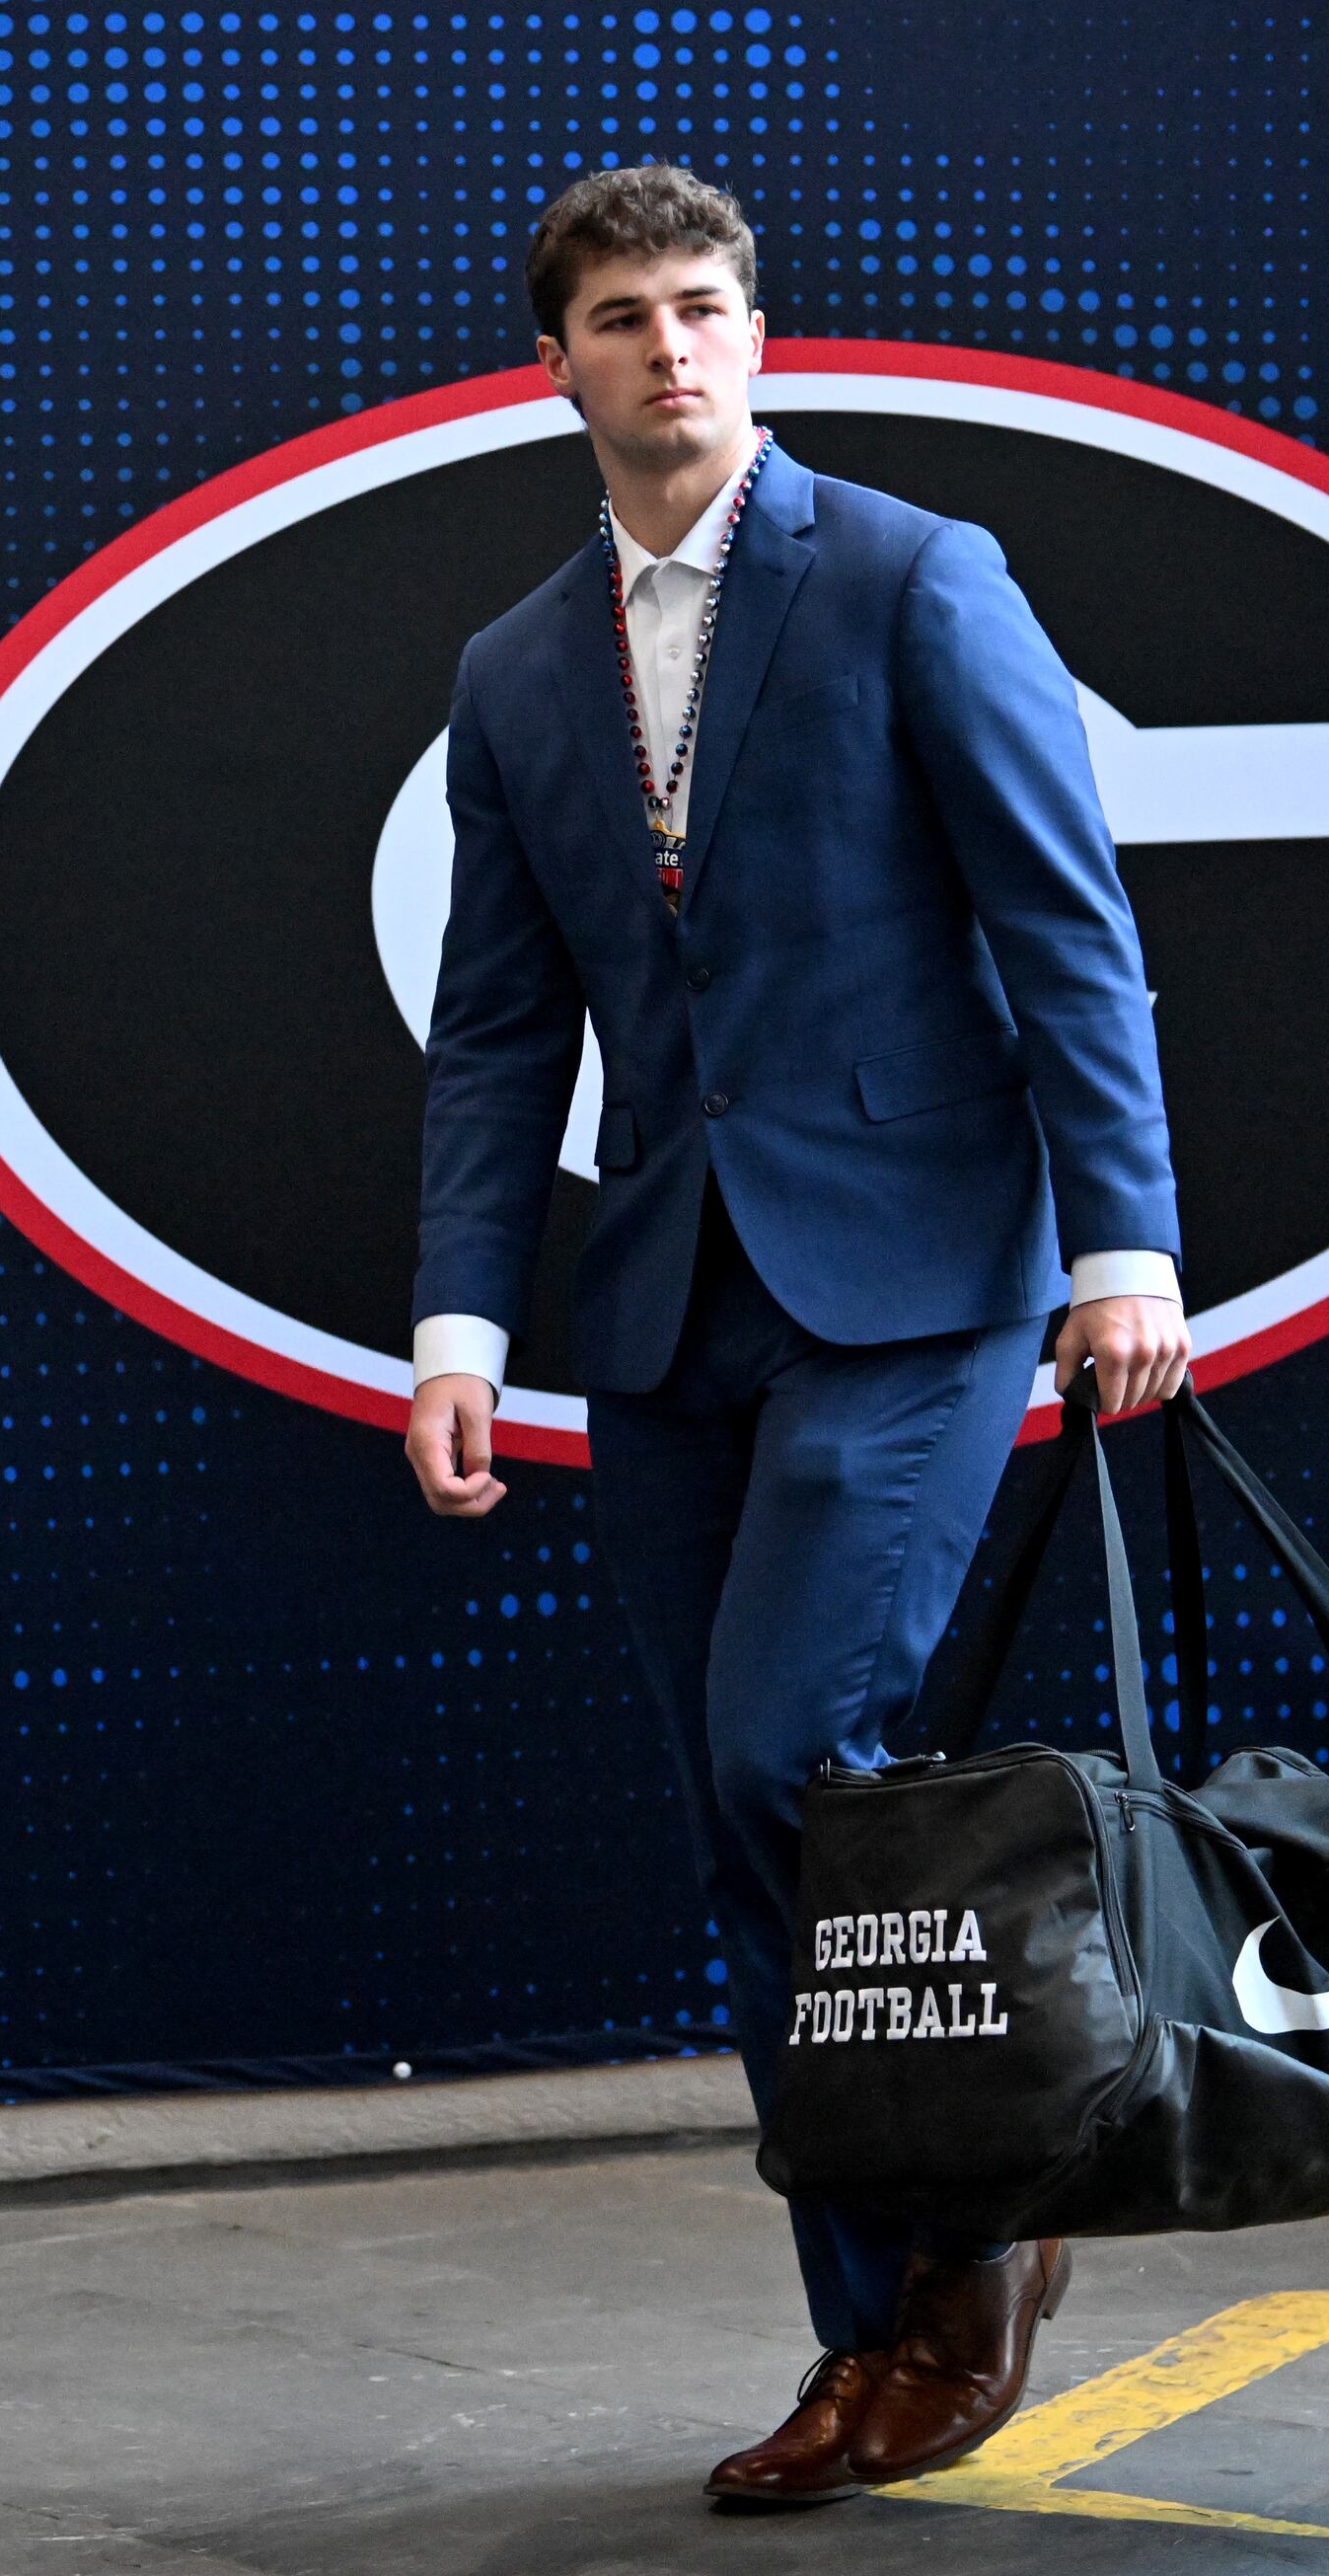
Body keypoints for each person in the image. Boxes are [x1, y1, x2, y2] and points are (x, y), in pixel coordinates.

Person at [403, 166, 1187, 2506]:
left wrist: (1121, 1241)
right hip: (659, 1313)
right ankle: (884, 2319)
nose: (673, 348)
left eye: (709, 310)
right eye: (626, 317)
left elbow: (1071, 923)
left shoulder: (915, 577)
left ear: (760, 338)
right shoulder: (519, 667)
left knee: (796, 1760)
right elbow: (492, 1038)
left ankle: (958, 2263)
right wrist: (462, 1319)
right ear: (557, 363)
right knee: (753, 1835)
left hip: (919, 1282)